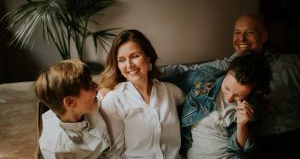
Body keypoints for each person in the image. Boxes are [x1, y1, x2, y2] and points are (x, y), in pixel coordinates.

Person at [160, 13, 300, 157]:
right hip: (259, 143)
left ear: (264, 36)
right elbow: (185, 72)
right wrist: (147, 70)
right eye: (237, 33)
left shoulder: (291, 64)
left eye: (250, 32)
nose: (242, 38)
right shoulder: (220, 69)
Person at [164, 50, 272, 158]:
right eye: (227, 88)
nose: (229, 98)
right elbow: (169, 82)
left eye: (238, 95)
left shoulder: (253, 107)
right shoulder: (204, 78)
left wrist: (241, 125)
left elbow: (239, 150)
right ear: (227, 72)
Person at [98, 29, 186, 159]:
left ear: (148, 57)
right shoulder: (114, 100)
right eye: (122, 60)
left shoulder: (171, 91)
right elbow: (113, 155)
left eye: (135, 56)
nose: (129, 65)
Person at [35, 59, 110, 159]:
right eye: (90, 86)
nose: (97, 86)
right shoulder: (58, 147)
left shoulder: (84, 105)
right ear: (70, 102)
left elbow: (103, 92)